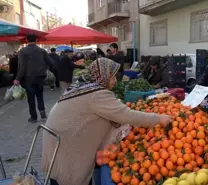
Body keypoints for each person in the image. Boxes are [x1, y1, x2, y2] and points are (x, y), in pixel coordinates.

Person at [42, 58, 172, 185]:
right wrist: (158, 118)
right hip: (66, 147)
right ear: (103, 75)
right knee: (70, 176)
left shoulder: (83, 86)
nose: (115, 81)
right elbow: (127, 115)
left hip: (56, 140)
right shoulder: (96, 94)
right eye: (112, 76)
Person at [14, 33, 54, 123]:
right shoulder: (42, 51)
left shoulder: (23, 51)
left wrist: (17, 78)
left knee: (31, 97)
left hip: (29, 77)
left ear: (27, 40)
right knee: (40, 95)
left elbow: (21, 66)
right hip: (40, 76)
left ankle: (33, 117)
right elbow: (51, 62)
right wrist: (46, 69)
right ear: (36, 40)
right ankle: (42, 110)